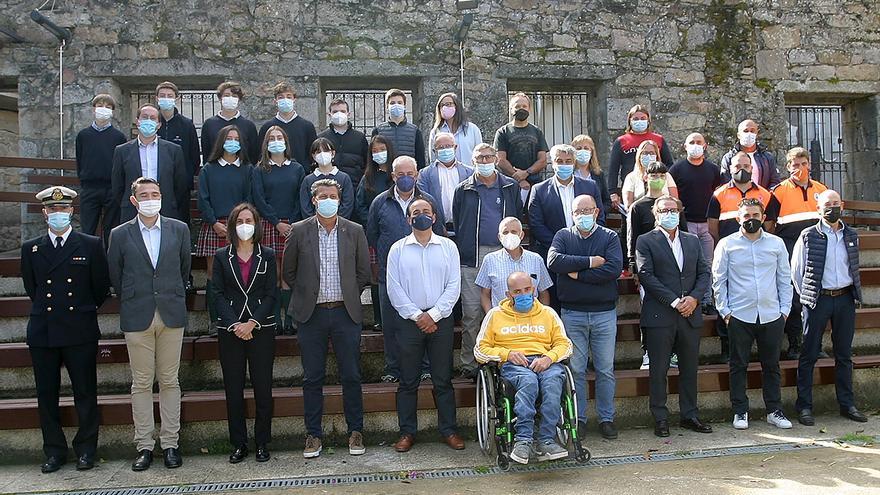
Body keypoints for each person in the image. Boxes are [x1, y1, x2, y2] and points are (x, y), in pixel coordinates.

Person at [21, 186, 110, 473]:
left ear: (72, 211)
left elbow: (100, 289)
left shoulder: (90, 245)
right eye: (52, 209)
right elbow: (32, 289)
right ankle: (54, 452)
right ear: (44, 212)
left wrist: (80, 311)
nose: (58, 214)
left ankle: (86, 450)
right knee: (47, 395)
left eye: (63, 209)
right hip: (44, 330)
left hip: (79, 329)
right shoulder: (31, 248)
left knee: (86, 392)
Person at [282, 179, 371, 458]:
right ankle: (313, 435)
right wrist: (308, 293)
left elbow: (363, 273)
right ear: (314, 200)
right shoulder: (299, 231)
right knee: (312, 377)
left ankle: (355, 431)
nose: (328, 199)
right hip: (312, 314)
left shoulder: (354, 230)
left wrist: (347, 296)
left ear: (340, 199)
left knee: (351, 375)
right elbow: (289, 272)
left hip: (345, 313)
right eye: (323, 196)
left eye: (333, 195)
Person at [107, 177, 191, 471]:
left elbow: (183, 269)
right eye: (144, 194)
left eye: (155, 193)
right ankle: (144, 445)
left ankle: (171, 443)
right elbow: (115, 275)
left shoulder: (179, 229)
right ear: (134, 200)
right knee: (141, 382)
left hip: (171, 312)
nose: (150, 198)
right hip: (137, 313)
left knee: (170, 380)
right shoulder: (119, 234)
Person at [386, 198, 464, 453]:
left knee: (443, 379)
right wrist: (417, 316)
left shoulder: (448, 247)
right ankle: (407, 432)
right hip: (410, 323)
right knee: (408, 381)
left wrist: (435, 315)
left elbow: (454, 285)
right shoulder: (397, 249)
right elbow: (393, 288)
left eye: (426, 212)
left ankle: (449, 430)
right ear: (409, 219)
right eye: (415, 212)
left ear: (434, 217)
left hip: (440, 322)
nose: (421, 215)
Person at [474, 271, 573, 464]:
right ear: (508, 294)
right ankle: (523, 440)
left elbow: (565, 344)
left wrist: (549, 357)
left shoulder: (548, 313)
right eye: (517, 291)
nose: (524, 294)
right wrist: (507, 354)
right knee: (528, 381)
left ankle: (546, 440)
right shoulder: (495, 315)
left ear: (534, 290)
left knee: (553, 382)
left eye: (527, 289)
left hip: (545, 361)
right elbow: (480, 350)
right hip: (514, 364)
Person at [635, 195, 712, 438]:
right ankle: (660, 417)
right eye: (663, 210)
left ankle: (690, 415)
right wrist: (675, 301)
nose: (669, 213)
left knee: (689, 368)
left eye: (673, 209)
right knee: (659, 370)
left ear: (679, 213)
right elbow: (646, 275)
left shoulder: (691, 240)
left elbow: (703, 272)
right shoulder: (645, 240)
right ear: (655, 214)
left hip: (690, 314)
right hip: (660, 315)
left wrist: (694, 299)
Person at [712, 198, 793, 430]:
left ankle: (774, 411)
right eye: (746, 216)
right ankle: (740, 411)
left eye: (755, 215)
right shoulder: (726, 245)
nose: (751, 220)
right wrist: (726, 312)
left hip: (771, 315)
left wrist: (784, 311)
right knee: (738, 365)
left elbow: (784, 279)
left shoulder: (776, 244)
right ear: (738, 218)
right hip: (740, 315)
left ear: (763, 217)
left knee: (772, 365)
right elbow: (719, 280)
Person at [547, 194, 622, 440]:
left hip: (604, 314)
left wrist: (577, 274)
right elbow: (555, 261)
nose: (583, 216)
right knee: (576, 370)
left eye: (587, 210)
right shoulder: (563, 236)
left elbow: (612, 269)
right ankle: (578, 419)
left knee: (605, 370)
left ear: (597, 212)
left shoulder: (609, 237)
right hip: (573, 314)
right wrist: (591, 262)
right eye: (578, 212)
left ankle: (606, 418)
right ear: (572, 214)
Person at [792, 190, 868, 426]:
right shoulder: (807, 235)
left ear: (842, 206)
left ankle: (847, 404)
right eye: (827, 204)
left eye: (835, 203)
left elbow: (853, 266)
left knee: (844, 354)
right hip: (818, 299)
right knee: (809, 354)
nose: (832, 208)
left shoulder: (852, 235)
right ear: (818, 208)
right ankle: (804, 406)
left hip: (845, 299)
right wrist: (807, 296)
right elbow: (796, 270)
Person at [366, 156, 444, 383]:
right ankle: (393, 369)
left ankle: (425, 367)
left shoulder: (427, 200)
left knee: (423, 321)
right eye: (401, 175)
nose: (406, 178)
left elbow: (437, 231)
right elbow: (372, 235)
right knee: (391, 325)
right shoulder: (380, 202)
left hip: (423, 273)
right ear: (392, 176)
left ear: (417, 174)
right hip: (389, 275)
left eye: (410, 174)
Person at [210, 203, 276, 463]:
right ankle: (238, 443)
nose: (244, 225)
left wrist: (253, 323)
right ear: (232, 225)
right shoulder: (221, 256)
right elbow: (217, 294)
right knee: (233, 389)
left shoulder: (267, 255)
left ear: (257, 224)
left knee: (263, 387)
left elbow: (272, 294)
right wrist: (236, 324)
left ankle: (262, 442)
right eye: (239, 221)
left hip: (261, 329)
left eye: (249, 220)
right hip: (231, 331)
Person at [453, 143, 523, 379]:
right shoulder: (463, 189)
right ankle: (470, 363)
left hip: (504, 254)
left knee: (504, 310)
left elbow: (518, 216)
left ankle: (506, 360)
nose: (484, 161)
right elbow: (458, 220)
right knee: (472, 313)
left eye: (488, 156)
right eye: (480, 158)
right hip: (474, 256)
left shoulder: (510, 186)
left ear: (496, 158)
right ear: (473, 161)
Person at [706, 152, 773, 362]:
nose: (741, 169)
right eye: (737, 166)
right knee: (724, 296)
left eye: (746, 165)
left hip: (760, 254)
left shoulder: (766, 194)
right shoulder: (718, 194)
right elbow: (712, 226)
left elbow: (769, 223)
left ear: (752, 168)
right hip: (731, 255)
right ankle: (727, 347)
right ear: (729, 168)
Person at [764, 147, 828, 360]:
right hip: (789, 247)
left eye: (803, 164)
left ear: (809, 164)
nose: (799, 168)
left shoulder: (821, 189)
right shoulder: (779, 191)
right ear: (788, 167)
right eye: (795, 165)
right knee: (794, 297)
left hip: (817, 247)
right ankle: (795, 344)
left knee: (818, 296)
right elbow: (769, 224)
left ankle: (816, 344)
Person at [528, 144, 605, 311]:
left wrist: (582, 245)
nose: (564, 164)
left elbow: (600, 218)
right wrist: (561, 246)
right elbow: (536, 225)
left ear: (574, 162)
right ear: (552, 163)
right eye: (559, 161)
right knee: (555, 304)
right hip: (554, 257)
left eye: (568, 161)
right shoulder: (539, 190)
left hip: (586, 253)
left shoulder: (590, 186)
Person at [626, 162, 687, 370]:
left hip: (675, 271)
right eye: (653, 175)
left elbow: (685, 238)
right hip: (649, 272)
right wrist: (633, 267)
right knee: (650, 314)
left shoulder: (674, 205)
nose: (657, 178)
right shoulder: (638, 207)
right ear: (645, 177)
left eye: (662, 174)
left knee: (676, 313)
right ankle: (648, 353)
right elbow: (632, 239)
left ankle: (675, 353)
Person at [197, 125, 253, 333]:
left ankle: (241, 316)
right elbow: (203, 199)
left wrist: (237, 224)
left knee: (241, 272)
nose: (232, 141)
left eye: (236, 138)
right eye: (228, 138)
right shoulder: (209, 169)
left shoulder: (247, 169)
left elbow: (250, 198)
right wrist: (214, 222)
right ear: (221, 141)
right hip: (215, 226)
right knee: (214, 273)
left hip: (242, 225)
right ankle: (215, 319)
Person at [252, 126, 306, 336]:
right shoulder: (260, 169)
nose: (276, 141)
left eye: (279, 137)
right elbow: (259, 199)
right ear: (266, 144)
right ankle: (274, 319)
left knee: (289, 273)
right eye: (271, 138)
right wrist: (276, 223)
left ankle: (290, 319)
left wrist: (291, 222)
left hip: (293, 225)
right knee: (273, 273)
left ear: (285, 142)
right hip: (269, 225)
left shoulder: (297, 168)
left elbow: (299, 198)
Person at [110, 104, 188, 225]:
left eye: (152, 118)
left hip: (165, 209)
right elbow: (117, 185)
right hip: (132, 210)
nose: (148, 121)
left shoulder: (173, 150)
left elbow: (180, 184)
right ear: (137, 121)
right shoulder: (122, 151)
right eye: (145, 117)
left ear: (159, 124)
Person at [668, 132, 722, 286]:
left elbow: (717, 194)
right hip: (686, 224)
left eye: (699, 142)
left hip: (707, 225)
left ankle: (706, 299)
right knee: (688, 263)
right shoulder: (676, 169)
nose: (696, 145)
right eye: (692, 142)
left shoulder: (713, 169)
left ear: (705, 146)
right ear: (685, 146)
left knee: (708, 263)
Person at [75, 94, 127, 243]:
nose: (103, 109)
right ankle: (89, 262)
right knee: (87, 229)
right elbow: (80, 160)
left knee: (111, 229)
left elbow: (120, 164)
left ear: (112, 111)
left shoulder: (118, 137)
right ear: (93, 109)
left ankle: (109, 262)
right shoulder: (83, 135)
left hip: (111, 189)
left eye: (108, 107)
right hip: (89, 188)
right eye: (100, 106)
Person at [357, 135, 394, 332]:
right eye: (375, 151)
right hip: (374, 233)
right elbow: (360, 204)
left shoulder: (396, 175)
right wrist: (372, 222)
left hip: (395, 232)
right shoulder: (368, 178)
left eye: (382, 149)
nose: (379, 154)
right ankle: (379, 318)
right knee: (376, 276)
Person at [607, 104, 674, 212]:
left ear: (648, 121)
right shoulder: (621, 141)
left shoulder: (658, 139)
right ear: (630, 121)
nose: (639, 121)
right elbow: (613, 169)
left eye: (643, 118)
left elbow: (669, 164)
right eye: (636, 119)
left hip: (657, 188)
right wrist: (612, 192)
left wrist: (665, 180)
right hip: (631, 188)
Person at [476, 217, 552, 311]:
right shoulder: (490, 260)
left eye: (513, 231)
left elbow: (543, 292)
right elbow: (485, 294)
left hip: (531, 319)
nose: (509, 235)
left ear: (521, 235)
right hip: (502, 320)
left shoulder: (536, 259)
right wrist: (492, 317)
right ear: (500, 237)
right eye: (505, 232)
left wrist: (542, 316)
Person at [155, 81, 201, 226]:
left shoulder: (187, 125)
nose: (166, 98)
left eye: (170, 95)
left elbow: (194, 156)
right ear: (156, 98)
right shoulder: (152, 123)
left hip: (180, 187)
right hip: (155, 184)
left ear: (177, 98)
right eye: (162, 95)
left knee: (180, 223)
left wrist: (185, 177)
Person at [493, 92, 549, 201]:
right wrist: (518, 177)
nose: (521, 109)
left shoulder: (537, 131)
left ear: (529, 109)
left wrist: (526, 173)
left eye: (524, 106)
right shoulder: (502, 132)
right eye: (517, 106)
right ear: (510, 109)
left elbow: (542, 160)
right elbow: (500, 160)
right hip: (509, 183)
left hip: (535, 183)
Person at [417, 131, 474, 238]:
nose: (445, 150)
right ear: (435, 151)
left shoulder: (469, 172)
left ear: (455, 147)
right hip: (437, 229)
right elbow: (424, 200)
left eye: (448, 146)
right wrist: (438, 226)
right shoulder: (425, 174)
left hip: (465, 227)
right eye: (441, 147)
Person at [258, 82, 317, 169]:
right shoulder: (267, 127)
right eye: (281, 97)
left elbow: (313, 154)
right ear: (275, 101)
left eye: (289, 97)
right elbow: (261, 154)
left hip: (301, 175)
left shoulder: (307, 126)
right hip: (272, 174)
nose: (285, 99)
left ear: (294, 100)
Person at [201, 81, 260, 165]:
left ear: (239, 99)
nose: (230, 98)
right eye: (226, 95)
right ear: (220, 98)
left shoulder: (248, 126)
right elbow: (206, 152)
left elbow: (253, 154)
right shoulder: (209, 124)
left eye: (234, 96)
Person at [317, 98, 368, 189]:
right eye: (335, 111)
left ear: (348, 114)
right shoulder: (322, 138)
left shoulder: (359, 137)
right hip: (328, 186)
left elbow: (367, 162)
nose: (339, 114)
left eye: (342, 111)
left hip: (354, 185)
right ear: (330, 114)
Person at [299, 138, 355, 219]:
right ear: (313, 156)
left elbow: (347, 204)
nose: (322, 154)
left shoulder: (344, 178)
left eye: (326, 151)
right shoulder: (308, 180)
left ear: (333, 153)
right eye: (318, 152)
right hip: (314, 226)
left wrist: (337, 221)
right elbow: (305, 206)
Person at [371, 88, 426, 169]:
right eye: (392, 103)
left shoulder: (415, 131)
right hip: (385, 174)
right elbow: (373, 156)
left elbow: (420, 158)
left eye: (399, 103)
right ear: (387, 107)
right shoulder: (378, 130)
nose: (396, 105)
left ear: (404, 106)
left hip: (407, 175)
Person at [720, 119, 782, 190]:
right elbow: (725, 182)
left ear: (757, 133)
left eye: (752, 131)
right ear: (738, 135)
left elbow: (775, 181)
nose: (749, 134)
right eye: (746, 131)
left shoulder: (767, 157)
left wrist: (765, 197)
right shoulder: (729, 158)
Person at [427, 92, 483, 166]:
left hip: (469, 174)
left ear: (456, 106)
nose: (444, 107)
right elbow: (433, 160)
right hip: (445, 175)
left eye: (448, 104)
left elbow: (480, 154)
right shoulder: (436, 132)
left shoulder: (472, 129)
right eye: (442, 105)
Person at [621, 140, 678, 208]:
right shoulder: (631, 177)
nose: (648, 156)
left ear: (656, 156)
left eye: (651, 153)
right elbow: (628, 205)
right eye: (645, 153)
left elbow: (675, 201)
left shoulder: (666, 175)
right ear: (639, 156)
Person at [571, 134, 611, 209]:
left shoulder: (598, 174)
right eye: (579, 148)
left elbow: (606, 200)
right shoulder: (569, 174)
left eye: (586, 148)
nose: (582, 151)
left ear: (591, 152)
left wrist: (600, 214)